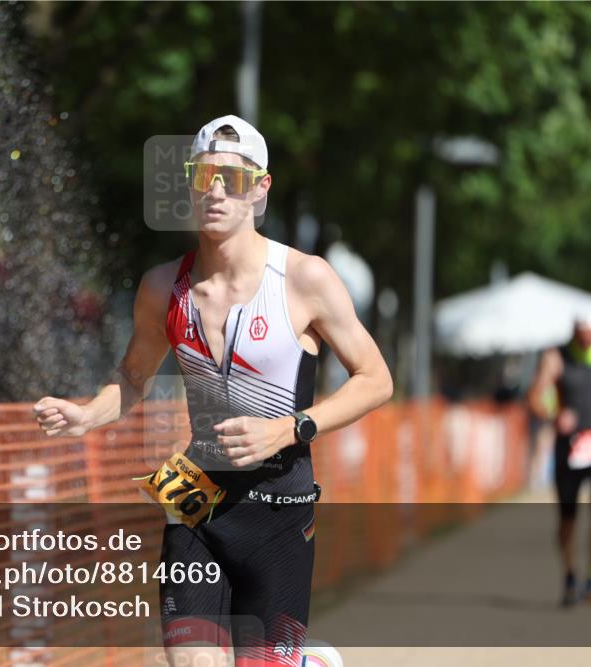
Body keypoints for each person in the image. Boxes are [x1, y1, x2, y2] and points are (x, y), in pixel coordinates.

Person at [34, 115, 392, 666]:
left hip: (280, 508)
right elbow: (132, 379)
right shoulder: (163, 287)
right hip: (195, 498)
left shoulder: (304, 279)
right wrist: (85, 415)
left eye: (233, 176)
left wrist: (288, 428)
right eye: (204, 177)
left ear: (260, 188)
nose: (217, 190)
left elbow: (376, 379)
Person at [528, 312, 591, 607]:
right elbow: (535, 397)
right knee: (568, 519)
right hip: (568, 446)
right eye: (582, 334)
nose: (587, 340)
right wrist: (554, 415)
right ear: (574, 331)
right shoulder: (555, 357)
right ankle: (570, 575)